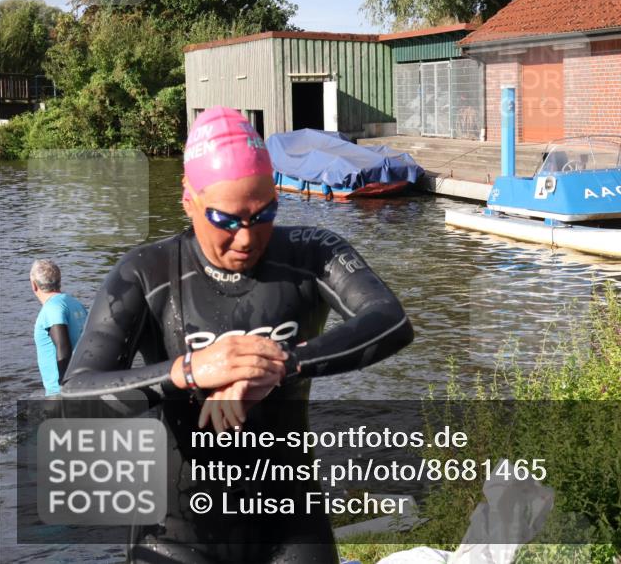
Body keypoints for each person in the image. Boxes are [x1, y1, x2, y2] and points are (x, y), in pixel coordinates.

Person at [61, 107, 415, 564]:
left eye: (264, 212)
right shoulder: (144, 273)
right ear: (188, 200)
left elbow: (389, 320)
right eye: (226, 220)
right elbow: (74, 397)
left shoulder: (312, 252)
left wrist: (280, 364)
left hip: (289, 516)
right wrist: (190, 370)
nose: (247, 238)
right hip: (174, 526)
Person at [30, 259, 88, 395]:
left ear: (34, 285)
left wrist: (65, 387)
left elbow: (63, 347)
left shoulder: (52, 309)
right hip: (83, 382)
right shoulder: (75, 303)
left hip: (61, 392)